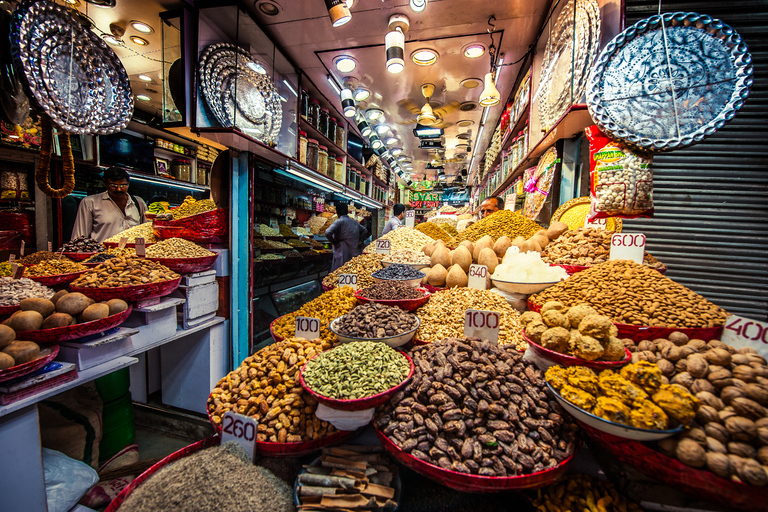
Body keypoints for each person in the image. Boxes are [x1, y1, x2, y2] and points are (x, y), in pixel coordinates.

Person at [71, 167, 147, 242]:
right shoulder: (90, 203)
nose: (119, 189)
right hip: (102, 253)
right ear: (105, 183)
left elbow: (148, 232)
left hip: (133, 253)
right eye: (113, 185)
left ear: (128, 184)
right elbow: (79, 237)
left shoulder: (139, 203)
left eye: (123, 185)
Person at [325, 203, 368, 271]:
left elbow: (327, 232)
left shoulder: (339, 222)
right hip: (354, 251)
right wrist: (360, 240)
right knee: (352, 271)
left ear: (337, 213)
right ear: (347, 211)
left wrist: (334, 242)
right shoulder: (354, 222)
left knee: (339, 272)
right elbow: (365, 231)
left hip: (342, 251)